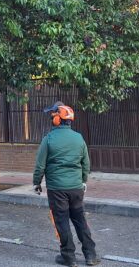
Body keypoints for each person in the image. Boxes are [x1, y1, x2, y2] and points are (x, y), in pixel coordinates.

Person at [33, 101, 100, 267]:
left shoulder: (48, 139)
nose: (51, 118)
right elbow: (86, 163)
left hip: (57, 190)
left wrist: (37, 182)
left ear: (57, 120)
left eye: (53, 116)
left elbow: (40, 165)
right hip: (76, 188)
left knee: (62, 222)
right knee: (80, 220)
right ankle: (90, 255)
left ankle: (68, 257)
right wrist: (83, 180)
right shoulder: (79, 138)